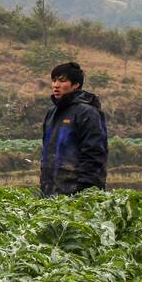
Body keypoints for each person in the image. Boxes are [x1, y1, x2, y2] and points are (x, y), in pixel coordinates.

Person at [41, 61, 108, 197]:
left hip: (76, 193)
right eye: (54, 80)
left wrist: (85, 193)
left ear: (76, 85)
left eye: (62, 81)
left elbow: (94, 155)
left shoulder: (88, 113)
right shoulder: (51, 113)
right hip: (49, 191)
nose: (56, 85)